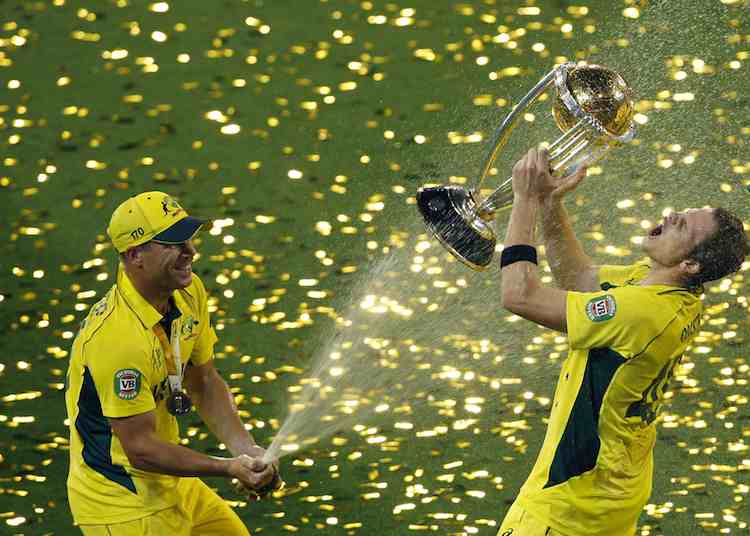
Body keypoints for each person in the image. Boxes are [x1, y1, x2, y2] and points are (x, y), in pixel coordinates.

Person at [495, 148, 748, 536]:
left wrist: (525, 199)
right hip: (611, 500)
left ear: (691, 265)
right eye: (683, 212)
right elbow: (577, 276)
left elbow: (520, 295)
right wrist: (549, 202)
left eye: (682, 226)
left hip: (565, 511)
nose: (671, 215)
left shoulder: (640, 312)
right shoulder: (670, 293)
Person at [65, 191, 281, 535]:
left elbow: (204, 382)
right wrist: (227, 468)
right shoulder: (118, 340)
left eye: (189, 239)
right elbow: (140, 449)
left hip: (172, 482)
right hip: (124, 504)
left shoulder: (188, 290)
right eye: (173, 244)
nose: (190, 252)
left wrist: (247, 452)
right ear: (135, 255)